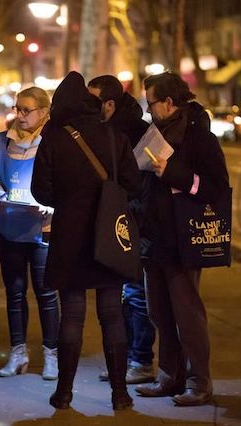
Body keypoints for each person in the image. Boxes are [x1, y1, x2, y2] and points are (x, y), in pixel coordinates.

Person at [32, 71, 141, 411]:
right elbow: (133, 184)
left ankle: (64, 393)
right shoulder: (113, 136)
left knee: (72, 316)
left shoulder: (54, 139)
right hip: (107, 234)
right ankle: (120, 394)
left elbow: (41, 190)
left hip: (69, 236)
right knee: (112, 314)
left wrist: (66, 199)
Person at [135, 72, 229, 406]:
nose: (148, 111)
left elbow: (216, 187)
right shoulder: (154, 132)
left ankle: (198, 382)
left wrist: (172, 173)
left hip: (183, 238)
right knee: (158, 311)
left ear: (169, 102)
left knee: (187, 314)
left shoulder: (198, 137)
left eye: (151, 103)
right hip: (153, 237)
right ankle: (168, 376)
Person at [0, 87, 59, 380]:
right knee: (14, 293)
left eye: (27, 110)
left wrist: (51, 206)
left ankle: (50, 355)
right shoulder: (3, 142)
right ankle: (18, 352)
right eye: (18, 109)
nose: (21, 115)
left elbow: (65, 182)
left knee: (46, 293)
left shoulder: (53, 142)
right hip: (11, 228)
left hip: (43, 229)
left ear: (44, 112)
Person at [87, 75, 156, 385]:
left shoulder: (133, 133)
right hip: (119, 220)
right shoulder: (111, 129)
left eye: (93, 101)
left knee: (136, 293)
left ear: (109, 105)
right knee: (124, 294)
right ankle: (127, 359)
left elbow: (141, 183)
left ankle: (141, 360)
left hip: (136, 223)